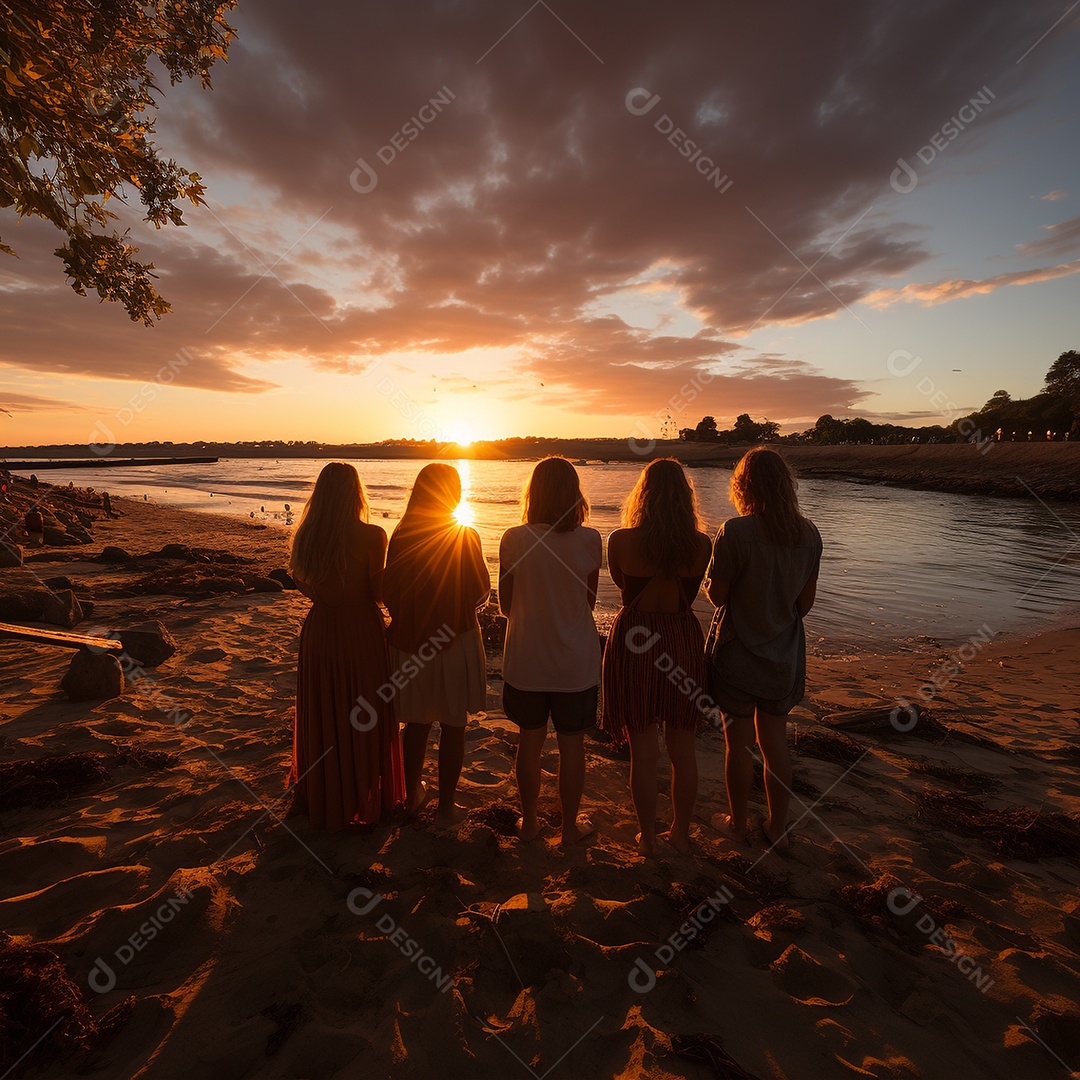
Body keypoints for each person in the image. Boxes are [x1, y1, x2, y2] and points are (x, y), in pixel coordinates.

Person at [705, 447, 822, 851]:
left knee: (736, 743)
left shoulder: (735, 531)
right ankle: (777, 827)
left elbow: (718, 597)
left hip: (737, 652)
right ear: (786, 485)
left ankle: (737, 824)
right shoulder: (809, 534)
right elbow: (803, 606)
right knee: (775, 744)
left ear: (743, 486)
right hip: (783, 655)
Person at [602, 459, 712, 856]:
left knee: (643, 748)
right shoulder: (702, 544)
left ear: (642, 494)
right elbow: (695, 591)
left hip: (635, 640)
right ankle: (680, 834)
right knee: (683, 748)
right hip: (681, 638)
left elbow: (621, 586)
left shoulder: (620, 540)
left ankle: (647, 837)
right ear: (686, 497)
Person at [289, 462, 405, 831]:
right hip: (359, 631)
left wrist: (327, 600)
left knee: (323, 710)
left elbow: (300, 581)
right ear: (357, 493)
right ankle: (361, 793)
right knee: (364, 710)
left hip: (321, 627)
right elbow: (379, 594)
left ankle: (323, 792)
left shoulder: (308, 534)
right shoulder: (373, 535)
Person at [500, 457, 602, 845]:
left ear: (533, 493)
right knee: (572, 745)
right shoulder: (590, 539)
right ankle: (570, 826)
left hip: (526, 659)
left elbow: (505, 606)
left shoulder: (513, 537)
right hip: (574, 661)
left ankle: (529, 824)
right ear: (574, 494)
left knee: (530, 740)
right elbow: (589, 602)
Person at [383, 463, 490, 830]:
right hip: (455, 638)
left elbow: (389, 592)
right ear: (453, 494)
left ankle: (411, 796)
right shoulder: (465, 535)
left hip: (411, 642)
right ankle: (445, 809)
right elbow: (479, 591)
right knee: (454, 724)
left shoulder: (400, 534)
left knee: (415, 723)